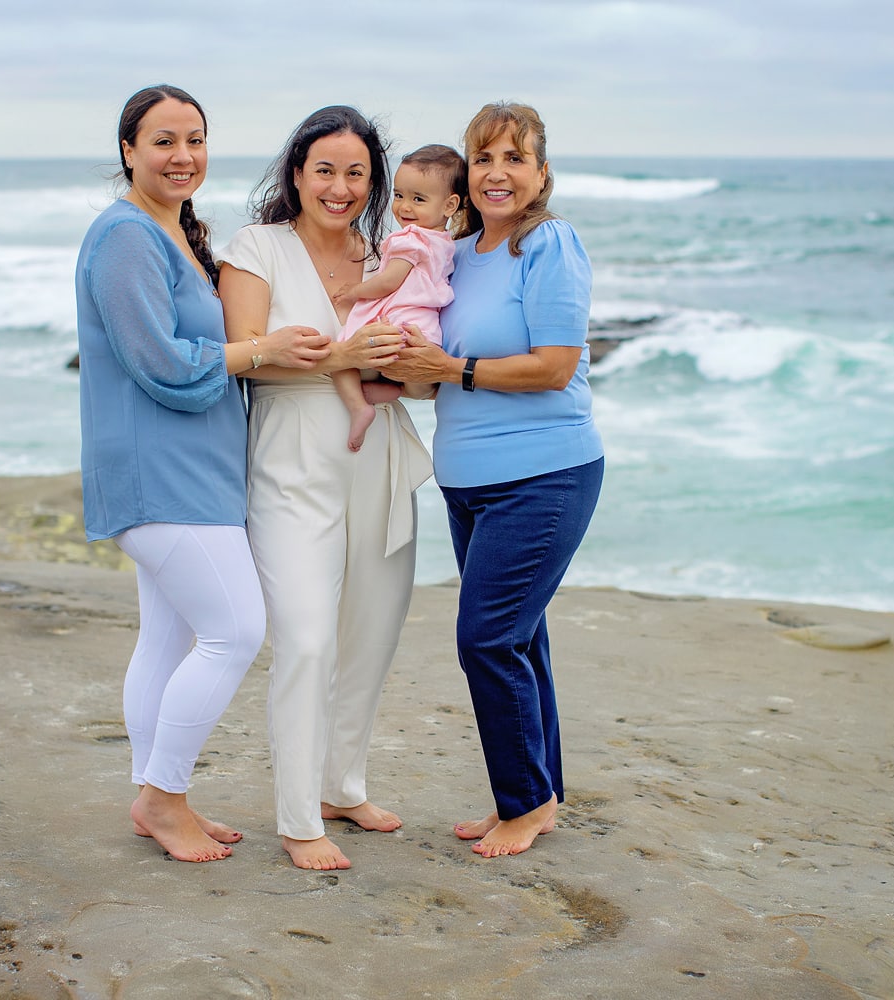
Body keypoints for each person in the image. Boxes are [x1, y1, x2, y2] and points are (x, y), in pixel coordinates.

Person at [74, 85, 329, 863]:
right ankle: (165, 795)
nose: (182, 156)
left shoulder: (175, 232)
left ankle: (153, 795)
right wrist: (264, 351)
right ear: (127, 150)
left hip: (197, 469)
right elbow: (158, 363)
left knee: (169, 635)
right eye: (162, 141)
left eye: (195, 139)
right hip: (159, 471)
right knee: (235, 630)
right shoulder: (123, 237)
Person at [383, 101, 604, 858]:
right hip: (468, 480)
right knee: (520, 639)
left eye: (514, 158)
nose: (497, 173)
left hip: (546, 474)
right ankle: (538, 794)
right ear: (466, 175)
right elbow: (431, 366)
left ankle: (524, 802)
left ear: (541, 172)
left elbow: (555, 365)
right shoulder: (458, 253)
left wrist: (451, 369)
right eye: (483, 159)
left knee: (487, 639)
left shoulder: (550, 245)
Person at [218, 106, 434, 871]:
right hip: (291, 455)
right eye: (325, 170)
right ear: (297, 173)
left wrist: (411, 365)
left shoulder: (387, 253)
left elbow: (412, 367)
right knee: (307, 637)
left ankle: (343, 784)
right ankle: (298, 815)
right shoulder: (258, 247)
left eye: (357, 174)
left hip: (376, 450)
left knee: (370, 634)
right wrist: (342, 351)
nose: (340, 187)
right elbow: (244, 355)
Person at [329, 144, 466, 452]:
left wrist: (354, 292)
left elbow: (389, 282)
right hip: (425, 331)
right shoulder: (446, 243)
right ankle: (379, 394)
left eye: (418, 199)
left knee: (341, 355)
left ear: (450, 205)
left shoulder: (410, 238)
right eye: (399, 195)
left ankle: (358, 406)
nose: (405, 207)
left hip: (396, 322)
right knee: (415, 389)